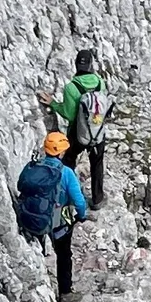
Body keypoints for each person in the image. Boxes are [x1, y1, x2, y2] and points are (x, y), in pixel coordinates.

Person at [15, 128, 91, 302]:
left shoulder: (35, 166)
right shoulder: (66, 173)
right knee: (64, 255)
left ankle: (39, 270)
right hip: (58, 222)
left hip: (33, 216)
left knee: (40, 244)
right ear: (62, 151)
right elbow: (78, 200)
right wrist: (82, 215)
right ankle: (65, 293)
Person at [52, 46, 111, 208]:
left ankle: (65, 196)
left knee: (69, 160)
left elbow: (69, 115)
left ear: (76, 65)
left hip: (78, 133)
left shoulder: (71, 88)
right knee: (97, 163)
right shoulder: (100, 83)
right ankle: (98, 199)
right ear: (91, 65)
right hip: (97, 131)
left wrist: (52, 104)